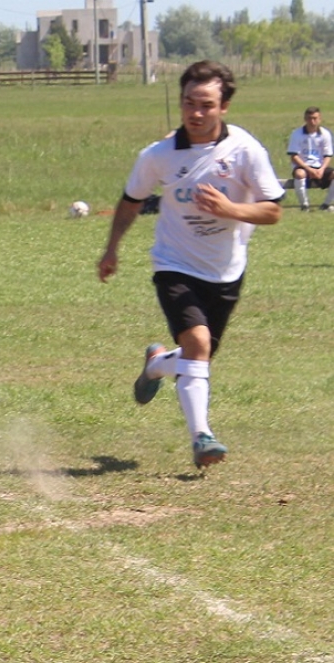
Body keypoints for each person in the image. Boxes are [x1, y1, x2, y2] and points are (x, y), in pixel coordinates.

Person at [97, 60, 283, 469]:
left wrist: (231, 208)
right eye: (188, 103)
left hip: (226, 270)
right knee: (197, 345)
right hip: (174, 264)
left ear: (224, 107)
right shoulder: (159, 155)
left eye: (206, 105)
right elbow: (130, 203)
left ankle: (156, 364)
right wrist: (111, 249)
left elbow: (272, 211)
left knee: (196, 357)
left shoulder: (246, 150)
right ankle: (202, 437)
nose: (196, 113)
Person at [287, 106, 334, 211]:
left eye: (315, 118)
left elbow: (328, 155)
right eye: (309, 118)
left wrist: (321, 169)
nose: (312, 121)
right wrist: (309, 169)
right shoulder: (297, 134)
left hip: (320, 166)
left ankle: (326, 205)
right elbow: (294, 156)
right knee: (300, 174)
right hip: (303, 166)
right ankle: (304, 205)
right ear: (305, 119)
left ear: (320, 119)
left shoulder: (325, 134)